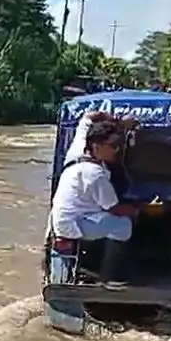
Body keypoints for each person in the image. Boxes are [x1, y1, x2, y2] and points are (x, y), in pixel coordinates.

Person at [49, 119, 139, 287]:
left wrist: (119, 123)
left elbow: (87, 119)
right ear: (96, 146)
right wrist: (136, 210)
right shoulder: (95, 173)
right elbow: (115, 209)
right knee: (124, 224)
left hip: (63, 220)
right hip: (75, 224)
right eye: (112, 145)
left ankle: (88, 268)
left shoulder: (76, 156)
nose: (117, 149)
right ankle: (111, 276)